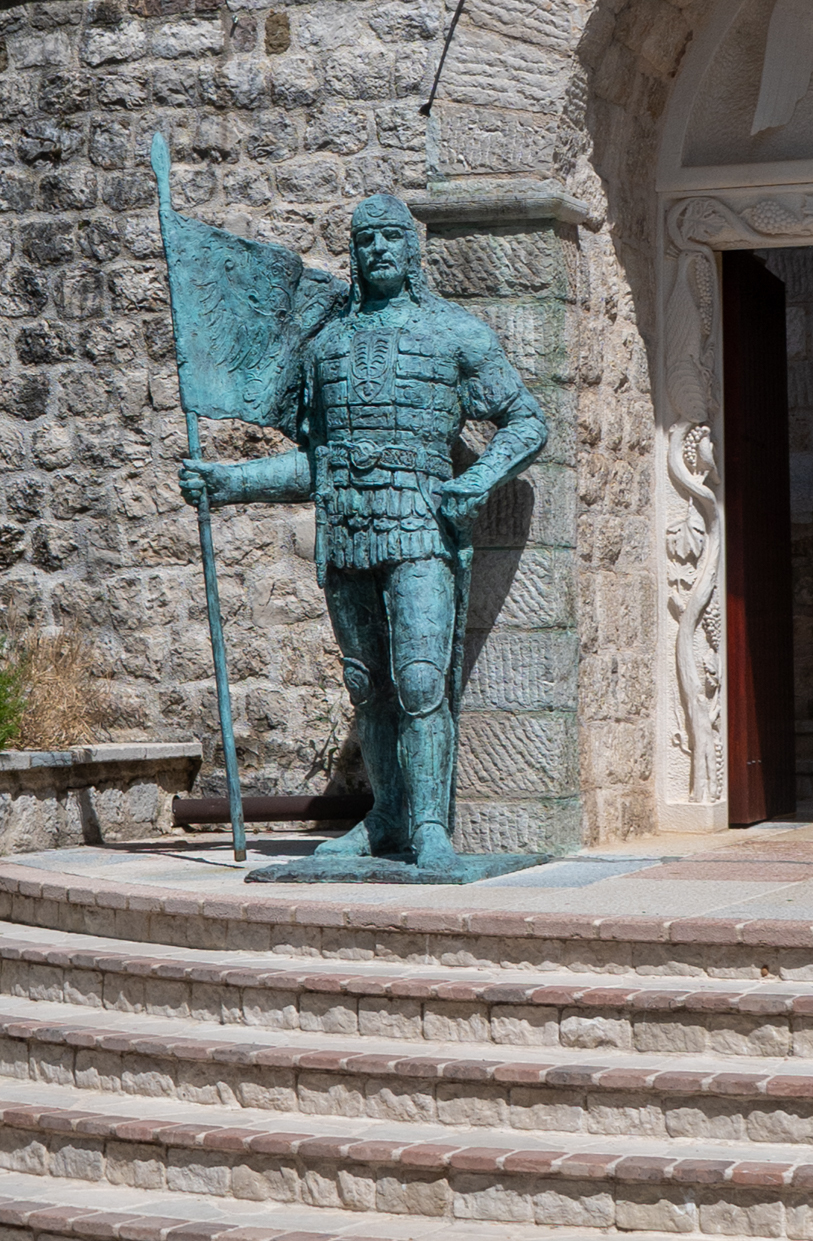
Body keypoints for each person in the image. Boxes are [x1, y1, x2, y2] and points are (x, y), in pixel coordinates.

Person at [180, 193, 545, 874]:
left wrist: (477, 478)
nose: (378, 249)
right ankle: (386, 817)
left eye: (390, 238)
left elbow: (526, 420)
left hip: (419, 529)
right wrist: (229, 482)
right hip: (346, 531)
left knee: (417, 678)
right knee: (365, 682)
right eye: (366, 239)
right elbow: (318, 464)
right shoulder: (328, 348)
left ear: (411, 250)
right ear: (355, 251)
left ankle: (430, 826)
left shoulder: (455, 334)